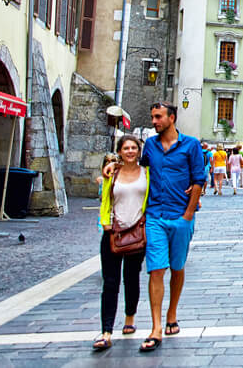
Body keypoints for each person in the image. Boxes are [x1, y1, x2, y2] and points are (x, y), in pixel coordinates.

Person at [130, 102, 204, 352]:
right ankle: (156, 327)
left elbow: (198, 179)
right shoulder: (150, 145)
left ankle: (172, 313)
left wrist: (189, 213)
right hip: (155, 215)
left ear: (171, 118)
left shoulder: (191, 145)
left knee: (177, 267)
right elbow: (138, 170)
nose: (154, 121)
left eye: (158, 117)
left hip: (180, 216)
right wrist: (112, 168)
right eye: (152, 117)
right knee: (156, 270)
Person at [92, 135, 149, 351]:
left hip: (136, 232)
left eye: (134, 148)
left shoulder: (147, 173)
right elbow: (105, 198)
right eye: (126, 148)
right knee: (110, 282)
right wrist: (105, 223)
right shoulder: (112, 173)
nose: (130, 151)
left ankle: (130, 318)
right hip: (113, 234)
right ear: (120, 151)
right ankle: (106, 330)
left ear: (139, 151)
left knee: (132, 277)